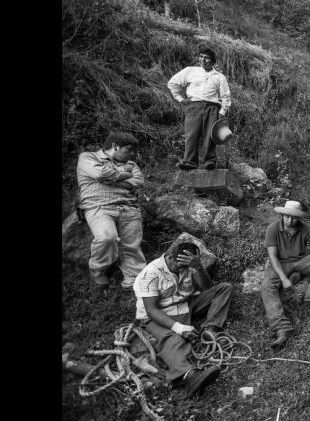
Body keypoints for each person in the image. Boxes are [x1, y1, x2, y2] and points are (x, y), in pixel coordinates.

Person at [133, 240, 233, 398]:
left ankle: (210, 330)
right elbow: (151, 310)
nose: (184, 270)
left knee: (224, 289)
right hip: (159, 314)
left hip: (186, 304)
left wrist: (198, 267)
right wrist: (178, 328)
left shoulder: (188, 264)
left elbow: (206, 287)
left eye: (188, 266)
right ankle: (189, 376)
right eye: (181, 266)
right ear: (170, 257)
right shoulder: (150, 273)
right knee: (171, 338)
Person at [260, 200, 310, 347]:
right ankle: (282, 327)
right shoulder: (272, 229)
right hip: (280, 263)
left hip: (300, 261)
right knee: (267, 286)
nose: (290, 220)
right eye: (287, 217)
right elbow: (272, 256)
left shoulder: (304, 228)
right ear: (282, 215)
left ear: (299, 218)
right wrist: (284, 279)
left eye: (294, 217)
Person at [76, 131, 147, 290]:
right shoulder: (88, 157)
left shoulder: (132, 165)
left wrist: (110, 180)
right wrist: (123, 175)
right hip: (99, 207)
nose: (133, 154)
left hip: (129, 208)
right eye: (129, 149)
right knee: (107, 237)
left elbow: (138, 181)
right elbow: (100, 173)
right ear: (115, 146)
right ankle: (99, 268)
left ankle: (133, 279)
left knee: (131, 246)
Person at [167, 46, 231, 170]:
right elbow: (173, 83)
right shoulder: (190, 71)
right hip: (194, 106)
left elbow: (226, 96)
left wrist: (223, 111)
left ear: (213, 61)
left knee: (210, 135)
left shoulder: (219, 77)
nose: (203, 60)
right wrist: (180, 98)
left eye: (206, 58)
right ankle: (189, 162)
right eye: (201, 57)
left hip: (212, 108)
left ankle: (209, 161)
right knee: (191, 135)